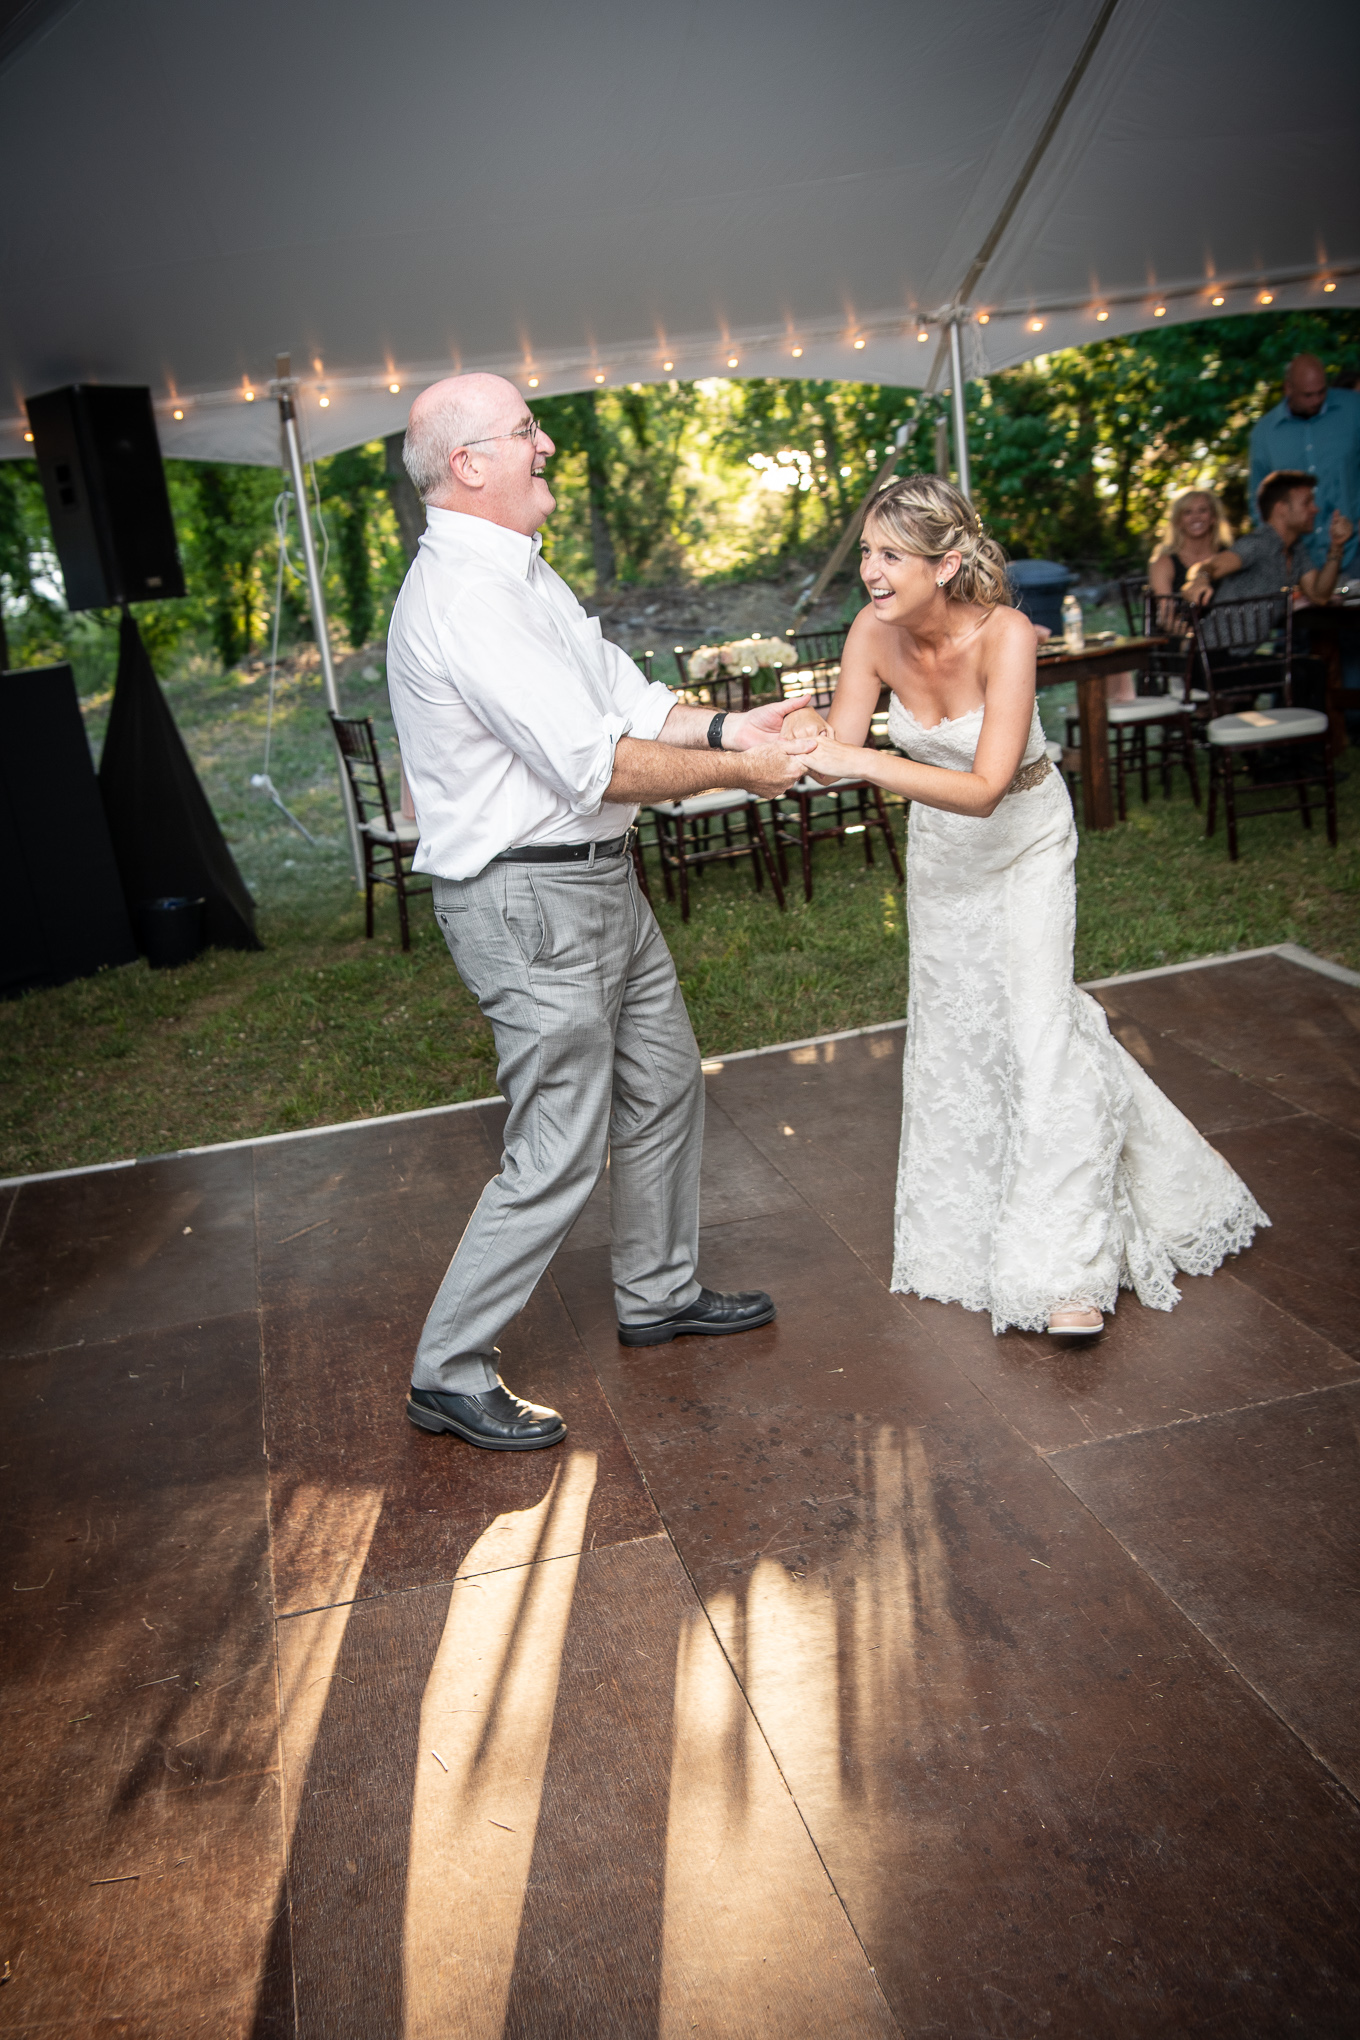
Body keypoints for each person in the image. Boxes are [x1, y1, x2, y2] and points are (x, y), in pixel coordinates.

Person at [386, 373, 814, 1451]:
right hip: (527, 899)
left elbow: (628, 699)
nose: (546, 447)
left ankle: (658, 1290)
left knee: (665, 1084)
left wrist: (733, 731)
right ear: (468, 463)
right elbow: (597, 765)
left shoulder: (519, 573)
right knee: (559, 1144)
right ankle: (447, 1369)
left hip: (594, 884)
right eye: (526, 432)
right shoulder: (465, 597)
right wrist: (747, 778)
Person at [784, 475, 1267, 1340]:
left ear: (949, 561)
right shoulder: (871, 632)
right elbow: (840, 749)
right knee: (963, 1032)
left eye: (890, 555)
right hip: (944, 860)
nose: (870, 571)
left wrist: (856, 765)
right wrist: (793, 742)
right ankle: (969, 1238)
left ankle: (1065, 1268)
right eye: (866, 552)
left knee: (1040, 1028)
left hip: (1026, 842)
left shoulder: (1008, 635)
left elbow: (981, 787)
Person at [1249, 355, 1360, 576]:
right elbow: (1259, 503)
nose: (1317, 400)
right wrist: (1278, 551)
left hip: (1355, 549)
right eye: (1308, 395)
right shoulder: (1265, 434)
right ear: (1288, 388)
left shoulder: (1354, 409)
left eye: (1322, 392)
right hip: (1303, 562)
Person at [1184, 469, 1353, 611]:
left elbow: (1319, 595)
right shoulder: (1260, 542)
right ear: (1281, 508)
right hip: (1216, 648)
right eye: (1306, 503)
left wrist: (1336, 547)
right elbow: (1210, 566)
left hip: (1250, 648)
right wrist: (1200, 579)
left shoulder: (1296, 549)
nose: (1315, 509)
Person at [1147, 488, 1233, 600]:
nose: (1196, 517)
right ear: (1178, 521)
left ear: (1213, 517)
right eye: (1188, 512)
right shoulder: (1164, 563)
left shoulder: (1230, 555)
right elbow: (1166, 614)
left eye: (1202, 510)